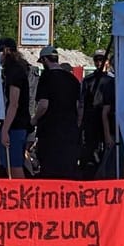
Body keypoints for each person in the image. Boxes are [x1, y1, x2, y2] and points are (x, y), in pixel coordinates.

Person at [32, 46, 82, 180]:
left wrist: (34, 119)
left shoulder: (46, 77)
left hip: (50, 131)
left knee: (50, 170)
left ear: (44, 60)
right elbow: (79, 107)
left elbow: (43, 104)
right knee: (67, 169)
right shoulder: (72, 79)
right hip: (69, 131)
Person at [0, 38, 33, 178]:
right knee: (10, 166)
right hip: (15, 124)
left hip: (15, 126)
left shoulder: (14, 71)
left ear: (6, 51)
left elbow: (14, 103)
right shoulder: (15, 69)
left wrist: (5, 129)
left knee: (15, 167)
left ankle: (20, 197)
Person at [80, 48, 118, 179]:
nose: (98, 62)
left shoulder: (112, 81)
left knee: (107, 151)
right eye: (96, 59)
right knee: (91, 151)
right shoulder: (88, 80)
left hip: (108, 120)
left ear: (107, 61)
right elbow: (82, 102)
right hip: (91, 120)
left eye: (101, 59)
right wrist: (80, 122)